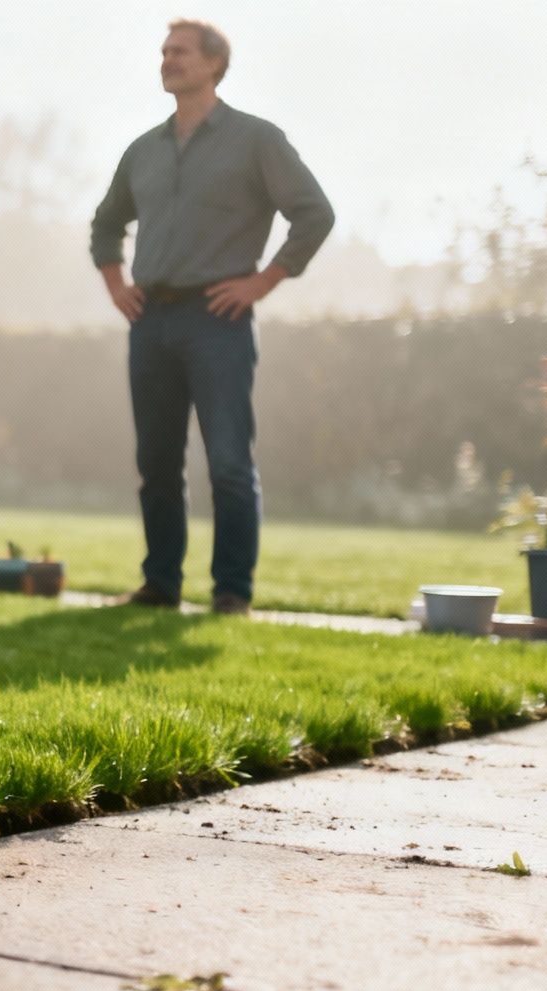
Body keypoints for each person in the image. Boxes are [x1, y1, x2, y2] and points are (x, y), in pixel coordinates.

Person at [89, 19, 334, 615]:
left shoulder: (256, 140)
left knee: (227, 462)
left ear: (215, 64)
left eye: (180, 52)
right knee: (156, 464)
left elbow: (314, 213)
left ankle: (231, 593)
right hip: (151, 321)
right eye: (163, 52)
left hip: (217, 322)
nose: (167, 60)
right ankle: (160, 586)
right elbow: (106, 223)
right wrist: (117, 285)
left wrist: (264, 281)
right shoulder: (143, 150)